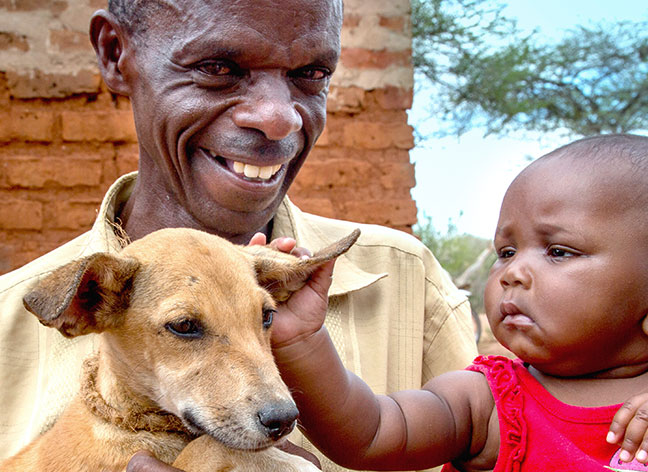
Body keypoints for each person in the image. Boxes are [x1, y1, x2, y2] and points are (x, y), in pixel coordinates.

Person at [0, 0, 478, 470]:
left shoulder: (411, 284)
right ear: (114, 53)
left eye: (310, 73)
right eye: (217, 67)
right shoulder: (22, 316)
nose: (277, 118)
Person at [270, 134, 648, 471]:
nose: (513, 272)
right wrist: (302, 341)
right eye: (507, 251)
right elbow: (372, 432)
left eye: (559, 251)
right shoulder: (485, 403)